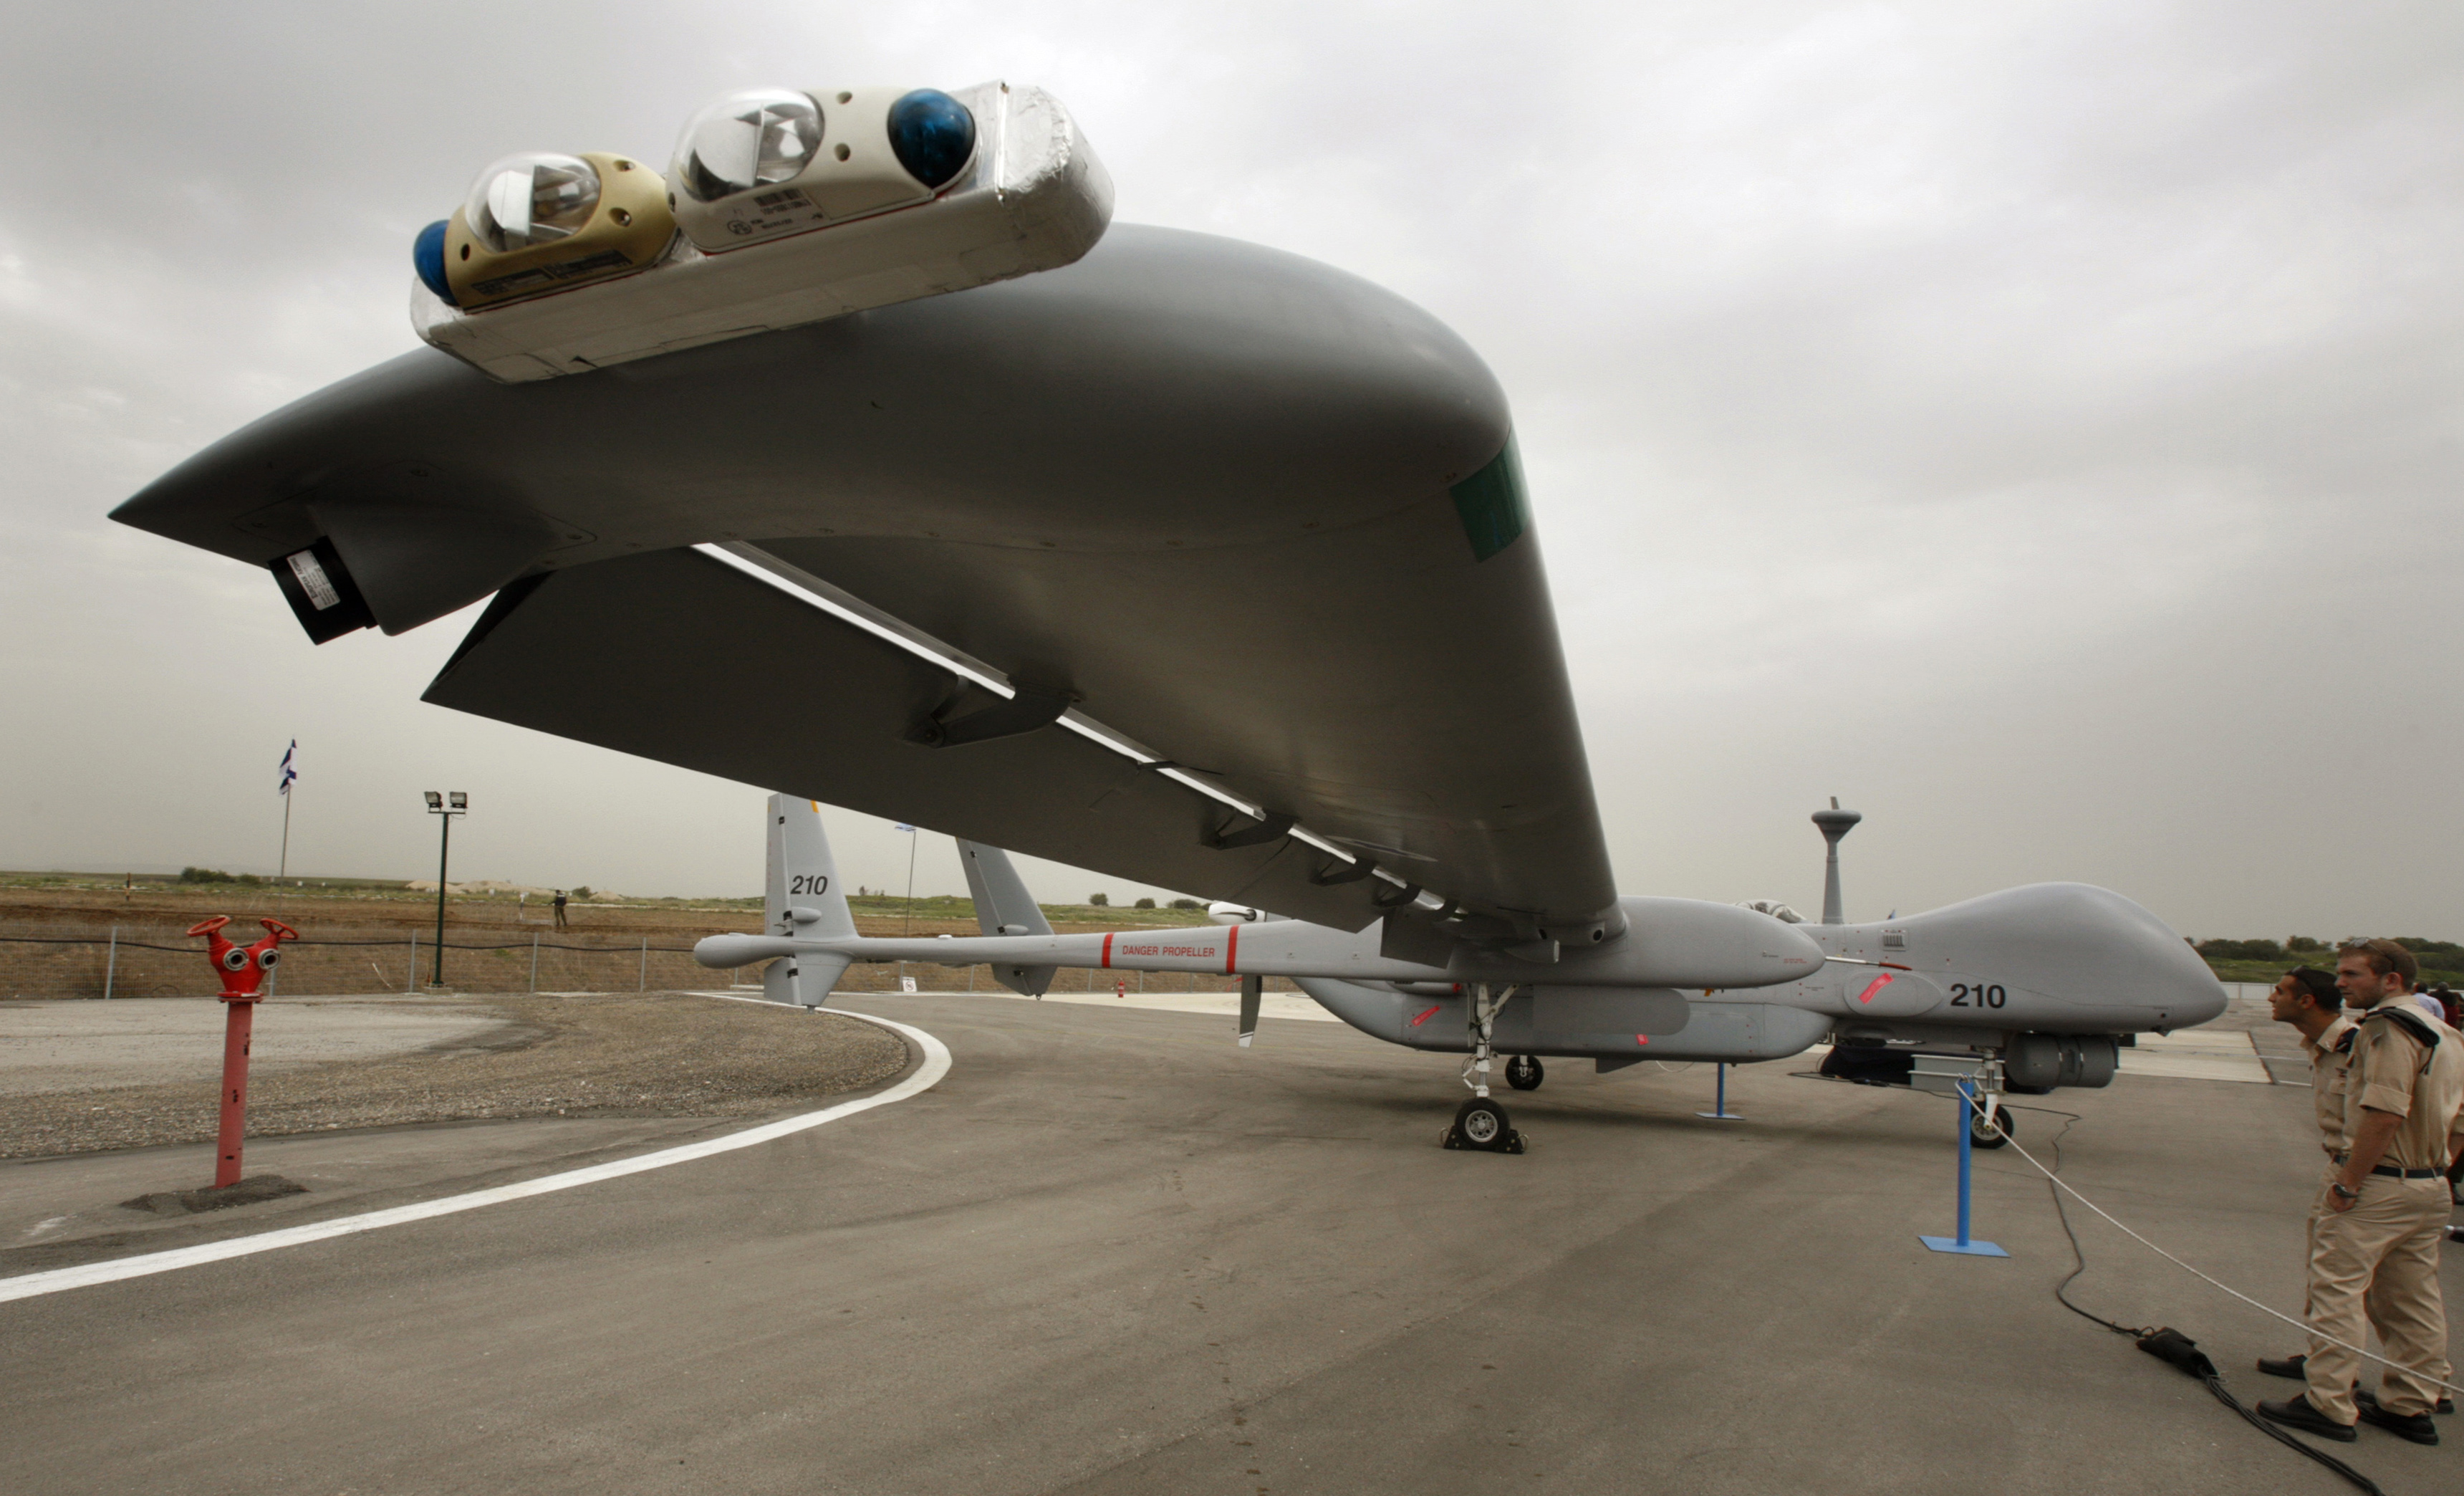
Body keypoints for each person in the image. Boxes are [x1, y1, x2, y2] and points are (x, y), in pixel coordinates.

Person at [2259, 939, 2464, 1445]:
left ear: (2390, 980)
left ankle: (2328, 1403)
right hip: (2428, 1183)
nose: (2342, 984)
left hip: (2376, 1182)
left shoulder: (2387, 1029)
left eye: (2351, 975)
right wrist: (2432, 1173)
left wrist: (2351, 1182)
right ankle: (2410, 1403)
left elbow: (2384, 1112)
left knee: (2337, 1291)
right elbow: (2459, 1122)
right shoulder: (2446, 1034)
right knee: (2410, 1299)